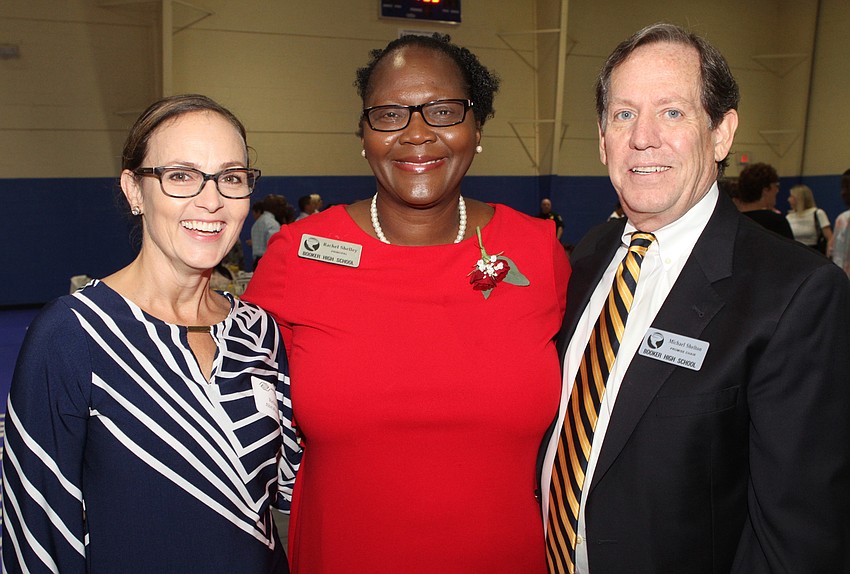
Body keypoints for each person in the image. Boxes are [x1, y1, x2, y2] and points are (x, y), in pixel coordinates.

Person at [243, 33, 569, 573]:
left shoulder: (537, 250)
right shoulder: (299, 254)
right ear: (364, 135)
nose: (417, 133)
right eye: (390, 115)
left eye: (443, 111)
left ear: (477, 129)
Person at [539, 23, 850, 574]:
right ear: (603, 138)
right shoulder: (589, 255)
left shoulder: (796, 295)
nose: (643, 137)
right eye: (624, 114)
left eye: (672, 112)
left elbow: (800, 535)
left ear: (721, 134)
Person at [1, 94, 300, 573]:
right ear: (134, 191)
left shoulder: (258, 331)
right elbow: (35, 532)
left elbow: (286, 489)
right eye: (180, 175)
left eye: (231, 177)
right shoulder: (74, 334)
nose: (211, 200)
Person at [735, 162, 794, 238]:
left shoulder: (734, 220)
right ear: (765, 190)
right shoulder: (775, 222)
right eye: (776, 186)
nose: (777, 190)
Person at [786, 183, 833, 253]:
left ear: (799, 198)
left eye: (791, 196)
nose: (788, 199)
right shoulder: (788, 217)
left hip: (814, 252)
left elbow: (830, 237)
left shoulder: (817, 213)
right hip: (794, 252)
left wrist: (829, 252)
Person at [251, 196, 281, 268]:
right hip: (267, 261)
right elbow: (274, 247)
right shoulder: (272, 223)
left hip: (256, 261)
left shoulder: (258, 222)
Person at [831, 168, 850, 276]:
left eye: (848, 187)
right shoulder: (842, 219)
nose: (843, 192)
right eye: (843, 187)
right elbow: (838, 256)